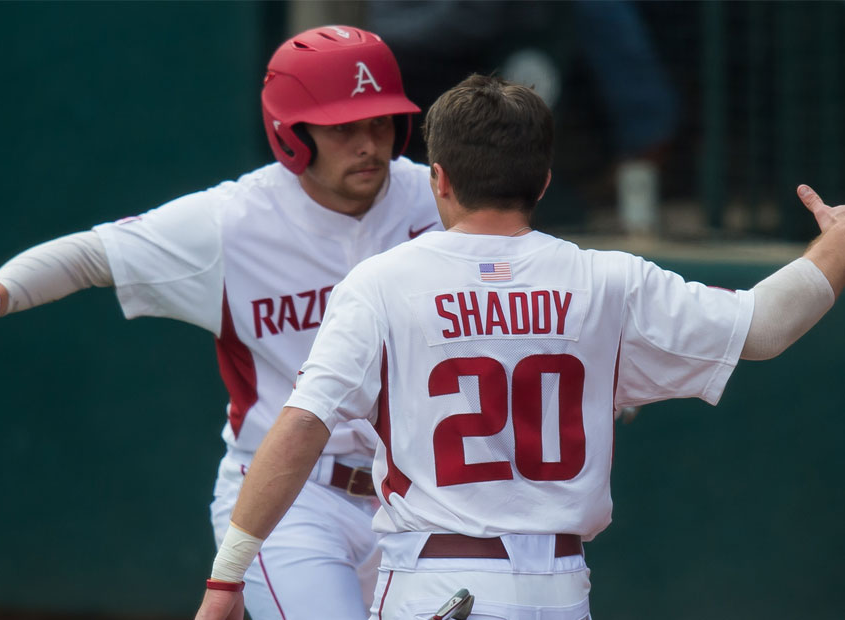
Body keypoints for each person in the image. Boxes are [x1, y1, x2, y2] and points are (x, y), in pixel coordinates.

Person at [194, 74, 845, 620]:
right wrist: (836, 246)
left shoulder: (382, 283)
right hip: (560, 590)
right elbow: (764, 327)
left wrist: (227, 579)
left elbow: (302, 425)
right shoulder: (609, 279)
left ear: (439, 179)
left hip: (434, 584)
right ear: (543, 181)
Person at [0, 25, 442, 620]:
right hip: (295, 501)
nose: (369, 143)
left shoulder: (438, 199)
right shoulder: (233, 223)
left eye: (380, 122)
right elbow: (92, 254)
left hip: (423, 497)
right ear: (291, 133)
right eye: (344, 127)